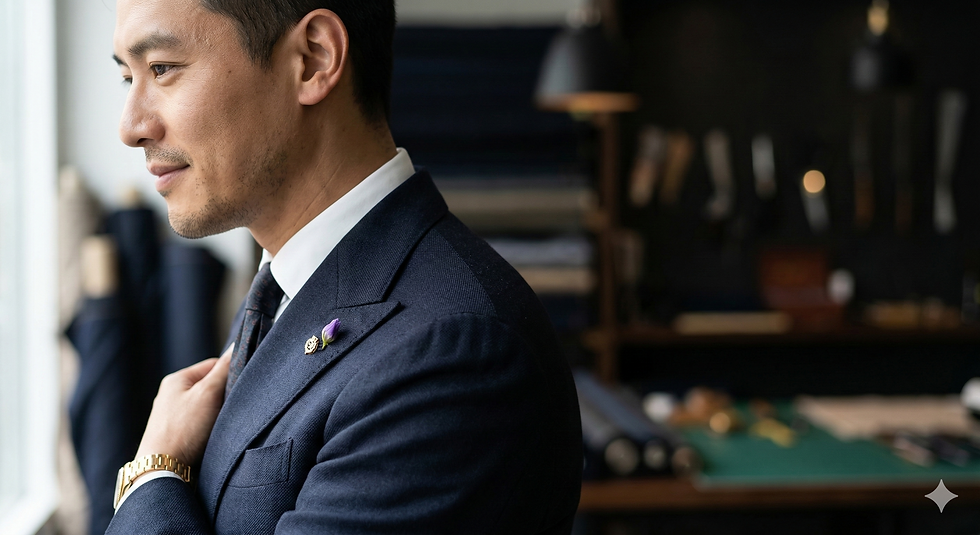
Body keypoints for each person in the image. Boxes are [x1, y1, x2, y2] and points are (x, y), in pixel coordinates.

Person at [105, 0, 582, 533]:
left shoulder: (455, 354)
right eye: (128, 77)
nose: (131, 127)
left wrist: (152, 473)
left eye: (162, 68)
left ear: (314, 58)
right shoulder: (288, 287)